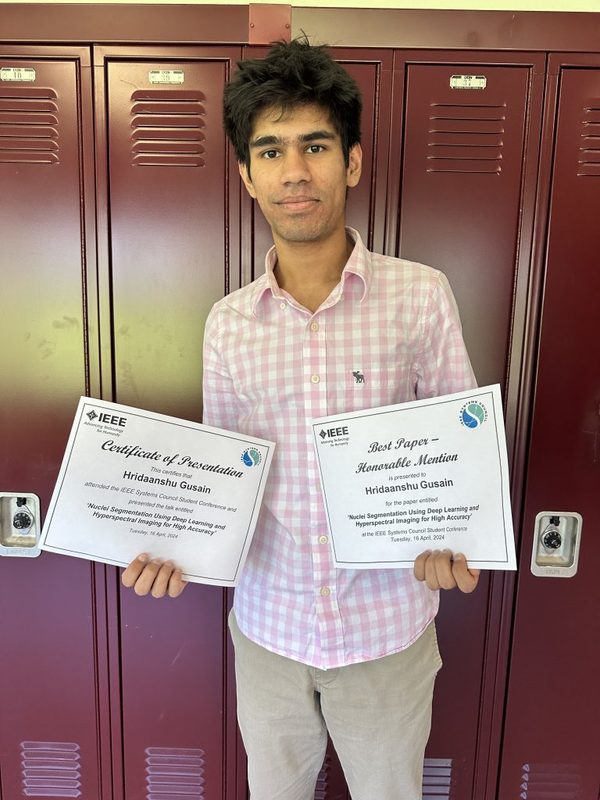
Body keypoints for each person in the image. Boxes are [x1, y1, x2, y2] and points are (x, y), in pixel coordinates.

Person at [122, 39, 480, 800]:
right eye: (272, 151)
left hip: (388, 630)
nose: (295, 172)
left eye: (316, 146)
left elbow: (461, 458)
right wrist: (172, 544)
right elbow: (224, 479)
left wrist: (459, 541)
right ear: (247, 174)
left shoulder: (421, 296)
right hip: (269, 635)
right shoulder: (228, 323)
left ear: (350, 161)